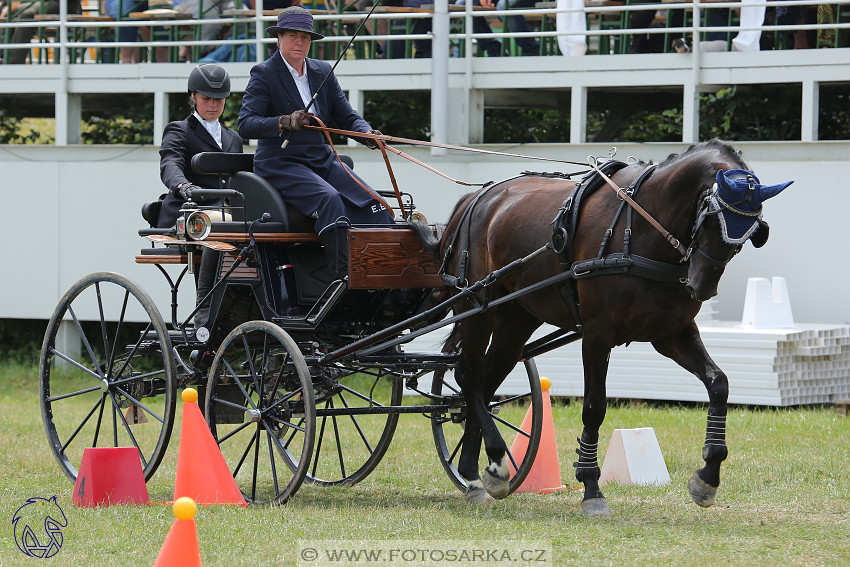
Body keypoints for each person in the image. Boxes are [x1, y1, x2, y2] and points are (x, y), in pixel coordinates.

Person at [238, 6, 394, 282]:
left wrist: (369, 134)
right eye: (293, 36)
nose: (300, 42)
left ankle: (384, 279)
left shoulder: (322, 70)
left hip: (319, 159)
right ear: (280, 38)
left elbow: (347, 116)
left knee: (376, 205)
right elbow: (246, 123)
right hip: (280, 163)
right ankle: (341, 283)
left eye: (305, 37)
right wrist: (285, 122)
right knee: (329, 200)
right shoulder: (263, 73)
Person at [158, 63, 243, 325]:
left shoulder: (233, 138)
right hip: (190, 212)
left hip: (226, 212)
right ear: (193, 97)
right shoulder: (179, 130)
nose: (213, 104)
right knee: (218, 223)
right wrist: (184, 186)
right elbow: (170, 164)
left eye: (219, 99)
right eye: (206, 98)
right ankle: (204, 305)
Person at [1, 1, 82, 64]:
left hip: (66, 5)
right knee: (12, 11)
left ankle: (14, 61)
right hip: (46, 3)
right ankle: (3, 55)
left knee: (26, 15)